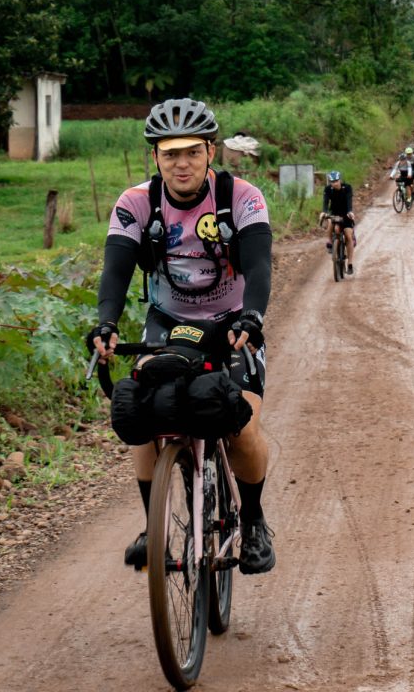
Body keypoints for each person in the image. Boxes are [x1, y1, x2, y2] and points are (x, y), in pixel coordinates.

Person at [87, 97, 276, 575]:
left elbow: (257, 265)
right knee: (145, 412)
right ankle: (154, 528)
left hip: (233, 320)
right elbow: (115, 269)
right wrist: (106, 323)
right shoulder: (136, 203)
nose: (182, 163)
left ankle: (253, 522)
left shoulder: (242, 197)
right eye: (170, 153)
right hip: (167, 323)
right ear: (155, 157)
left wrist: (251, 317)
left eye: (192, 151)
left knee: (241, 425)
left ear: (211, 151)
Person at [321, 170, 355, 275]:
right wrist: (324, 212)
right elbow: (325, 202)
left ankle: (350, 264)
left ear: (340, 180)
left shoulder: (347, 188)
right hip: (334, 213)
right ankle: (331, 243)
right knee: (330, 224)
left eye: (336, 181)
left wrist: (350, 212)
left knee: (348, 236)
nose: (334, 183)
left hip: (346, 214)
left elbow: (349, 201)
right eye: (332, 181)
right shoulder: (328, 190)